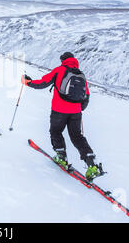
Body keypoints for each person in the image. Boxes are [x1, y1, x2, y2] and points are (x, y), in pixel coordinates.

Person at [21, 52, 102, 180]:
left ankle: (61, 157)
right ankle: (92, 164)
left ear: (63, 60)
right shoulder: (81, 74)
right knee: (77, 137)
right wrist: (78, 109)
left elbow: (43, 83)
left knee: (56, 131)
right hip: (76, 112)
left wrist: (28, 82)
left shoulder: (59, 70)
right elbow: (86, 96)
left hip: (59, 110)